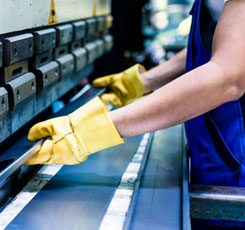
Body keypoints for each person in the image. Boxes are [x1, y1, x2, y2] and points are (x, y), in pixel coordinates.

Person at [26, 0, 245, 228]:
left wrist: (93, 131)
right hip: (218, 157)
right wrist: (143, 82)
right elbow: (221, 43)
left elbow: (228, 78)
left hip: (237, 169)